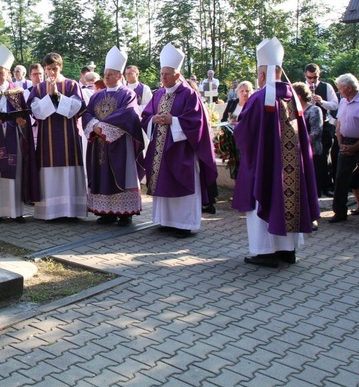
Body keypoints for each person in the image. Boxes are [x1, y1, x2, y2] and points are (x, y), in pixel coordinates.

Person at [233, 38, 319, 267]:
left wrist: (235, 128)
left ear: (262, 75)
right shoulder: (293, 98)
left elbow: (244, 131)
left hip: (265, 165)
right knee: (289, 198)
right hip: (289, 169)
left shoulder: (260, 98)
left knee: (266, 196)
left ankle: (266, 251)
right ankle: (287, 250)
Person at [141, 43, 218, 238]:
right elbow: (146, 115)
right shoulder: (158, 94)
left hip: (181, 150)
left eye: (167, 74)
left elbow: (195, 122)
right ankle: (166, 221)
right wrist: (153, 120)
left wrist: (172, 120)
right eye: (161, 74)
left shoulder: (189, 94)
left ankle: (184, 224)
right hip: (161, 148)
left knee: (181, 184)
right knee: (163, 182)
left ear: (177, 75)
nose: (163, 78)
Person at [82, 47, 144, 225]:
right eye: (105, 74)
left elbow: (129, 114)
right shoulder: (97, 95)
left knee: (121, 174)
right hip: (99, 142)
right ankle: (106, 212)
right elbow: (87, 113)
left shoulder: (127, 94)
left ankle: (125, 213)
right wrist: (94, 126)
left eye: (110, 74)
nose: (106, 77)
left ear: (119, 76)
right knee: (102, 174)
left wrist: (102, 127)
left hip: (119, 143)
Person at [0, 45, 38, 221]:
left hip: (14, 137)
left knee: (14, 174)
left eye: (1, 73)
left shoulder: (17, 93)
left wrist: (22, 123)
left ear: (8, 73)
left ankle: (15, 212)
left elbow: (26, 115)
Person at [27, 52, 87, 221]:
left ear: (61, 67)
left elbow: (76, 107)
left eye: (54, 68)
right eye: (48, 69)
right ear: (44, 69)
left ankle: (71, 210)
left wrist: (57, 95)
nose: (51, 72)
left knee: (69, 169)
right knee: (49, 170)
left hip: (69, 137)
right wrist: (49, 95)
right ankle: (51, 212)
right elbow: (36, 111)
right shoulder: (38, 88)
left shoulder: (71, 85)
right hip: (48, 138)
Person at [328, 73, 359, 225]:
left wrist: (355, 146)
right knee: (340, 178)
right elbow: (339, 123)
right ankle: (339, 212)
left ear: (348, 88)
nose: (339, 90)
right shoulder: (343, 101)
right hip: (345, 142)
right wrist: (340, 143)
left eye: (340, 88)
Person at [305, 63, 338, 197]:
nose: (312, 81)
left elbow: (335, 105)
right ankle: (312, 185)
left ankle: (326, 186)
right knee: (309, 156)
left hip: (325, 125)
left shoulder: (326, 87)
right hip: (308, 125)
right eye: (309, 78)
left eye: (315, 78)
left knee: (324, 156)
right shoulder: (301, 87)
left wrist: (322, 102)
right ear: (305, 75)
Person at [294, 82, 323, 223]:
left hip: (312, 153)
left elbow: (316, 132)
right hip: (296, 153)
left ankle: (313, 216)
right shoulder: (292, 111)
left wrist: (301, 145)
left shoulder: (314, 110)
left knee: (312, 184)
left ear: (298, 96)